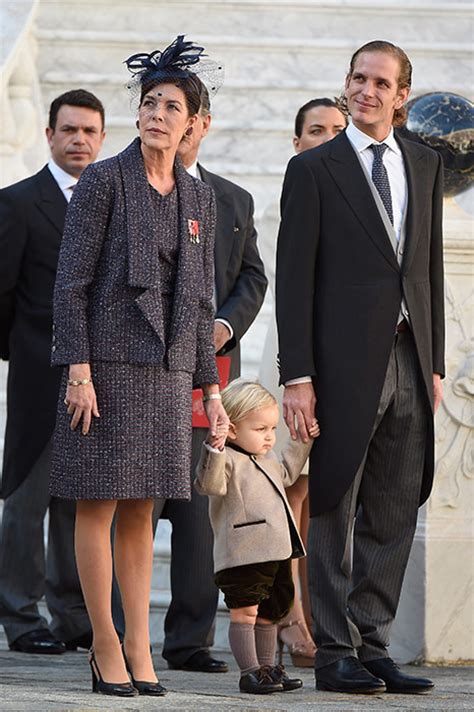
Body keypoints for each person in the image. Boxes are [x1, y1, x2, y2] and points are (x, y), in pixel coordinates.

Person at [49, 36, 229, 697]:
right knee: (96, 507)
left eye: (171, 105)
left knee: (140, 512)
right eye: (149, 102)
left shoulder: (197, 197)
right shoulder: (102, 180)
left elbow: (202, 297)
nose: (156, 113)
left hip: (166, 374)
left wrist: (208, 388)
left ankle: (136, 645)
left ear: (191, 124)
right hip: (102, 372)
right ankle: (103, 644)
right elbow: (70, 283)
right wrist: (78, 369)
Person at [276, 40, 444, 695]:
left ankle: (373, 645)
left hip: (410, 356)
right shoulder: (315, 170)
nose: (365, 91)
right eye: (357, 78)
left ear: (402, 95)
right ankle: (332, 650)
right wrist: (298, 377)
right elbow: (295, 280)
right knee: (332, 502)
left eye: (380, 83)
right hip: (340, 367)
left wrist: (432, 360)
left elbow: (425, 271)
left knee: (395, 504)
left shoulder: (425, 165)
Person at [158, 83, 268, 674]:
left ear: (202, 125)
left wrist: (224, 326)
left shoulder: (233, 199)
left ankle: (189, 641)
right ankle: (116, 636)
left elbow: (253, 277)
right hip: (143, 375)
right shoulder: (123, 185)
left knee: (201, 517)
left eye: (190, 118)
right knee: (136, 506)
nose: (182, 127)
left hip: (212, 380)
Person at [0, 89, 105, 654]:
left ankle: (73, 614)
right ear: (48, 135)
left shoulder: (113, 204)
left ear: (103, 139)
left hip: (100, 381)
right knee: (26, 498)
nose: (79, 140)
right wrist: (24, 351)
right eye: (69, 130)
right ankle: (20, 616)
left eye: (89, 131)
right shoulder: (17, 203)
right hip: (40, 378)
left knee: (79, 501)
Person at [259, 98, 347, 667]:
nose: (326, 138)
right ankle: (288, 617)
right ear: (297, 143)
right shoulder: (285, 198)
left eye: (336, 130)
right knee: (285, 496)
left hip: (346, 364)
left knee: (322, 499)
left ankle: (323, 618)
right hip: (292, 362)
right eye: (315, 130)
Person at [194, 379, 319, 694]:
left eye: (273, 429)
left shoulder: (269, 458)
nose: (269, 437)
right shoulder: (227, 461)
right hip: (244, 552)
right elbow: (209, 485)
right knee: (246, 611)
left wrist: (302, 441)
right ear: (233, 429)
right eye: (261, 429)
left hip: (277, 551)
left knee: (271, 612)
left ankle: (267, 669)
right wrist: (215, 447)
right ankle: (249, 671)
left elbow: (290, 472)